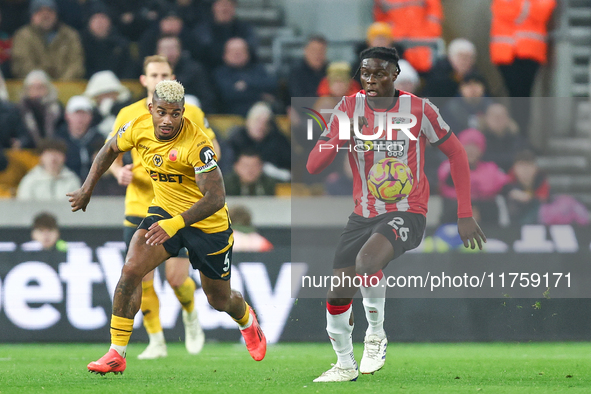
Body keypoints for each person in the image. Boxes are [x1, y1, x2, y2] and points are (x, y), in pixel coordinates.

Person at [306, 47, 485, 382]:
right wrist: (338, 134)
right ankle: (345, 365)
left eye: (378, 73)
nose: (371, 80)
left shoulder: (419, 109)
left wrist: (464, 212)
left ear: (394, 75)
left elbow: (457, 153)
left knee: (367, 262)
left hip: (408, 209)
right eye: (365, 73)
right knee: (337, 294)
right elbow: (314, 164)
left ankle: (376, 335)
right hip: (363, 214)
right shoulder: (348, 108)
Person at [68, 80, 266, 375]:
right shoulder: (137, 127)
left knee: (218, 299)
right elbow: (109, 149)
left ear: (183, 112)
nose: (167, 120)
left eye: (175, 114)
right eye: (161, 112)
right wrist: (86, 189)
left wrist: (176, 224)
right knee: (131, 270)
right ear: (151, 109)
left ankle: (247, 320)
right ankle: (116, 353)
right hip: (164, 214)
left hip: (206, 225)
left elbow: (216, 197)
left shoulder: (197, 145)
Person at [107, 55, 220, 360]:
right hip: (138, 203)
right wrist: (121, 173)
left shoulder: (191, 112)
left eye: (165, 73)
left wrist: (196, 170)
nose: (159, 79)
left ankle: (191, 314)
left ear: (173, 77)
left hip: (179, 206)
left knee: (175, 278)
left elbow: (213, 150)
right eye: (153, 74)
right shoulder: (128, 114)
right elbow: (111, 156)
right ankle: (156, 340)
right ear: (144, 80)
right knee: (140, 276)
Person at [438, 128, 509, 224]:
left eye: (475, 147)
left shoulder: (490, 169)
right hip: (453, 217)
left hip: (485, 218)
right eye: (467, 146)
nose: (471, 151)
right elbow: (448, 180)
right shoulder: (448, 166)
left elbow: (506, 185)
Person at [11, 0, 84, 80]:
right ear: (32, 16)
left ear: (56, 14)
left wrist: (61, 84)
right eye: (40, 11)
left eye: (50, 11)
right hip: (34, 89)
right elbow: (22, 65)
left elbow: (76, 64)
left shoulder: (70, 35)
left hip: (66, 87)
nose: (45, 15)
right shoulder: (22, 36)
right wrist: (43, 84)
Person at [373, 0, 443, 74]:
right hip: (398, 46)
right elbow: (381, 20)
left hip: (425, 45)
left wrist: (430, 33)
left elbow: (434, 14)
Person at [213, 37, 277, 116]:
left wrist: (247, 84)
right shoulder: (220, 73)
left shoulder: (258, 69)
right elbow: (228, 95)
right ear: (224, 55)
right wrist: (260, 95)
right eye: (233, 51)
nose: (237, 54)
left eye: (240, 51)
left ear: (248, 53)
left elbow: (272, 84)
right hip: (232, 115)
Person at [156, 35, 216, 114]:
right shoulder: (153, 70)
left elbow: (206, 96)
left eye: (173, 48)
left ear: (180, 50)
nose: (169, 52)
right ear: (158, 52)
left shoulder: (194, 69)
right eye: (165, 49)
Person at [225, 101, 291, 171]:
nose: (261, 126)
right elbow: (227, 165)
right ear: (248, 121)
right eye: (257, 120)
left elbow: (289, 163)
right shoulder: (235, 140)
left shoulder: (278, 140)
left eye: (265, 122)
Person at [57, 95, 105, 180]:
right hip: (66, 183)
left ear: (91, 116)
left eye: (84, 113)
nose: (80, 118)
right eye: (76, 113)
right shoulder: (58, 140)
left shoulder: (100, 139)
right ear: (67, 116)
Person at [80, 2, 133, 79]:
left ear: (110, 21)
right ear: (89, 22)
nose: (99, 22)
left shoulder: (121, 45)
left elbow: (128, 69)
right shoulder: (80, 43)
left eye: (103, 17)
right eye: (95, 18)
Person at [17, 70, 64, 149]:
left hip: (53, 148)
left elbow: (62, 130)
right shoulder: (20, 109)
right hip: (29, 149)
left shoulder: (57, 108)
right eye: (33, 87)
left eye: (40, 87)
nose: (37, 91)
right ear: (27, 90)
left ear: (48, 88)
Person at [504, 150, 549, 225]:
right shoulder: (507, 182)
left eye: (529, 166)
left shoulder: (541, 180)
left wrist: (530, 198)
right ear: (514, 168)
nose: (525, 170)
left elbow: (544, 199)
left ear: (535, 168)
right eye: (521, 166)